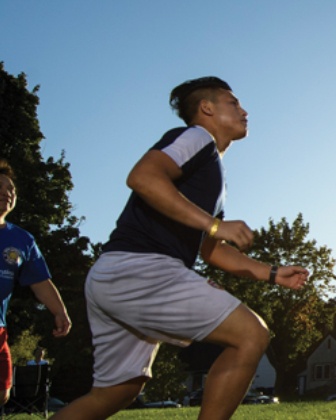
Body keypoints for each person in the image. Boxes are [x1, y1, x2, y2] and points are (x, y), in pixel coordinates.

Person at [53, 77, 310, 420]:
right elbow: (143, 177)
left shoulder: (213, 174)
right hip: (141, 268)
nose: (244, 110)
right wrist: (215, 224)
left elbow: (210, 250)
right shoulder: (197, 137)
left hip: (114, 276)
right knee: (251, 335)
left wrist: (272, 273)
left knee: (118, 392)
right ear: (206, 108)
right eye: (233, 103)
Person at [0, 160, 70, 405]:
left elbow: (39, 281)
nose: (7, 193)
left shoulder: (22, 239)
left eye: (11, 191)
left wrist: (59, 311)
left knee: (2, 394)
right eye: (0, 187)